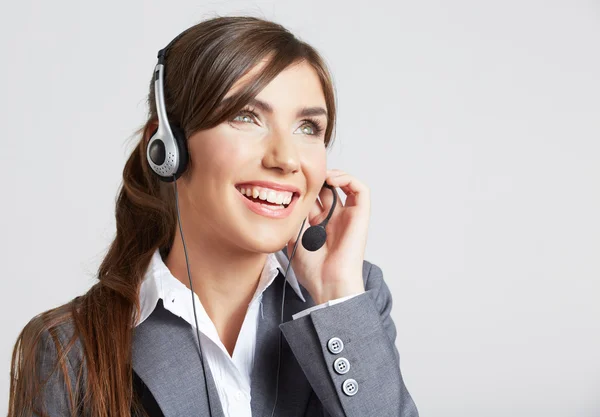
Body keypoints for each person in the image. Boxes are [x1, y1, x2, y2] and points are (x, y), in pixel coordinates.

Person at [8, 15, 419, 417]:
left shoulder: (353, 300)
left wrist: (336, 297)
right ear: (167, 150)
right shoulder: (70, 347)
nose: (287, 158)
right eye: (245, 116)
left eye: (308, 127)